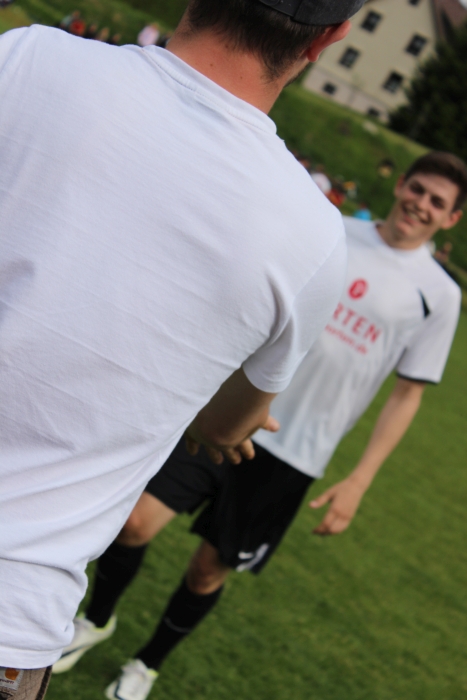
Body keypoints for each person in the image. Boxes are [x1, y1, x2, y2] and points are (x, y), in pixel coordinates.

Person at [0, 0, 365, 696]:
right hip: (13, 607)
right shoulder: (313, 235)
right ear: (330, 37)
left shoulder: (28, 57)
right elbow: (227, 425)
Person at [54, 152, 466, 700]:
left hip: (295, 452)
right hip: (229, 412)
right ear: (401, 186)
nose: (421, 204)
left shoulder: (440, 296)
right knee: (132, 522)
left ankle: (147, 665)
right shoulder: (332, 231)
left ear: (452, 219)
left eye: (438, 202)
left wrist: (359, 480)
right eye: (417, 189)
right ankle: (97, 618)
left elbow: (408, 394)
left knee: (207, 570)